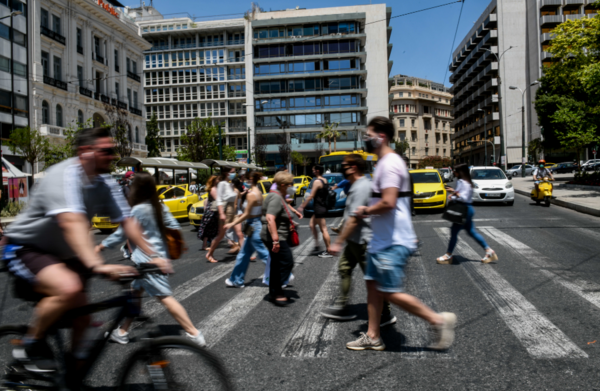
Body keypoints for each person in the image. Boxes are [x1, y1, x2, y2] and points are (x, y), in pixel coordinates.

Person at [4, 127, 160, 372]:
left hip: (63, 254)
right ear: (85, 152)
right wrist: (97, 265)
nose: (112, 156)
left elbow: (128, 221)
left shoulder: (105, 182)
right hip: (26, 247)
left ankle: (73, 378)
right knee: (69, 287)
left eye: (113, 151)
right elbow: (72, 222)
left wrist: (155, 256)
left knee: (84, 319)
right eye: (106, 151)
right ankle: (29, 346)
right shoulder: (63, 176)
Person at [346, 117, 456, 352]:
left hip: (393, 241)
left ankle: (438, 320)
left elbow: (388, 202)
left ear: (381, 137)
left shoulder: (390, 164)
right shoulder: (383, 163)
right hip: (382, 240)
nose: (366, 139)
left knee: (389, 292)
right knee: (373, 288)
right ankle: (373, 336)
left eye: (369, 134)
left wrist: (366, 210)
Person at [96, 173, 206, 346]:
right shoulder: (159, 207)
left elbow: (122, 233)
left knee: (166, 298)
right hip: (157, 259)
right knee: (135, 294)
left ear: (137, 190)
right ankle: (123, 331)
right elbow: (175, 227)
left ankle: (194, 333)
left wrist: (100, 247)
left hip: (148, 262)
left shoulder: (138, 209)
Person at [323, 154, 395, 326]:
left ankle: (386, 313)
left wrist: (338, 241)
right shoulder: (357, 185)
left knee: (373, 279)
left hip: (363, 242)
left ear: (353, 167)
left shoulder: (362, 187)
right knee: (344, 268)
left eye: (344, 165)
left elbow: (354, 219)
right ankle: (342, 306)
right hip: (355, 239)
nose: (341, 168)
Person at [436, 164, 498, 265]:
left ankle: (448, 255)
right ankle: (489, 251)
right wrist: (454, 195)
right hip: (467, 209)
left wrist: (454, 192)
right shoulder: (465, 182)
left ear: (460, 172)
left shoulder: (464, 183)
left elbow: (463, 197)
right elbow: (462, 196)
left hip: (463, 210)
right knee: (471, 232)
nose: (453, 173)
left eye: (455, 171)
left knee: (454, 232)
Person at [223, 172, 270, 288]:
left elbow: (247, 214)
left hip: (253, 225)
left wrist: (232, 223)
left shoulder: (251, 195)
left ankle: (284, 276)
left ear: (250, 179)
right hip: (254, 224)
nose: (244, 181)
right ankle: (236, 280)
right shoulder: (259, 193)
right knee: (243, 254)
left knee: (264, 254)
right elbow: (258, 212)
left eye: (246, 179)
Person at [261, 171, 299, 305]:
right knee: (287, 262)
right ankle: (277, 290)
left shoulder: (279, 196)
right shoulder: (276, 197)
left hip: (276, 235)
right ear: (282, 185)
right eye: (290, 184)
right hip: (275, 236)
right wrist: (276, 240)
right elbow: (270, 218)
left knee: (277, 264)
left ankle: (275, 293)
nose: (292, 186)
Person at [205, 167, 240, 262]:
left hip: (232, 210)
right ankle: (210, 253)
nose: (234, 173)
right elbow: (219, 199)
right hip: (226, 211)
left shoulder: (229, 184)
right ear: (226, 173)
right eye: (232, 172)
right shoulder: (222, 184)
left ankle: (245, 254)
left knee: (240, 233)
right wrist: (221, 213)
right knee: (221, 235)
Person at [297, 165, 332, 258]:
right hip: (322, 207)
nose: (312, 171)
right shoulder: (324, 180)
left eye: (313, 170)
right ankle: (317, 245)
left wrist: (302, 206)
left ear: (317, 171)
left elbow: (311, 196)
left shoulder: (317, 181)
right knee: (311, 225)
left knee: (324, 229)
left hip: (319, 207)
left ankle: (329, 250)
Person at [197, 175, 220, 251]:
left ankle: (206, 245)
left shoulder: (215, 188)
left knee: (210, 228)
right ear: (214, 181)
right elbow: (218, 200)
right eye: (217, 180)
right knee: (210, 228)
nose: (219, 181)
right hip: (211, 212)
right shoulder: (213, 189)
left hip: (211, 211)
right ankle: (207, 245)